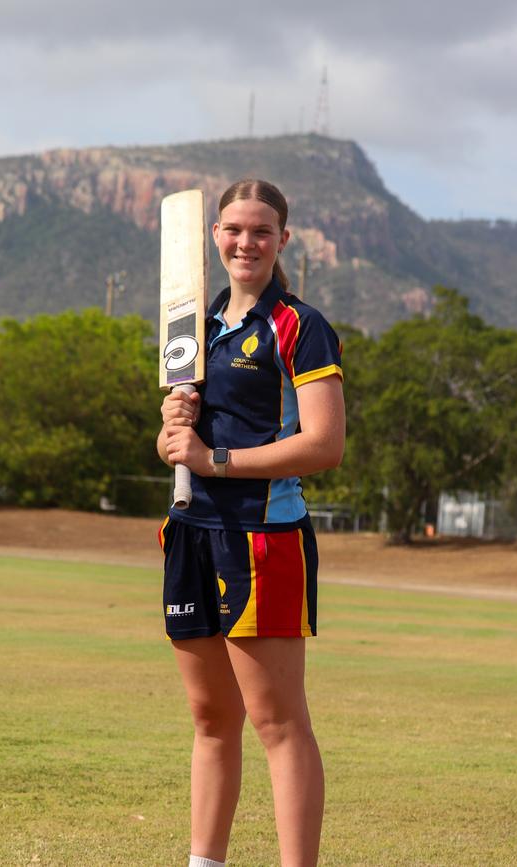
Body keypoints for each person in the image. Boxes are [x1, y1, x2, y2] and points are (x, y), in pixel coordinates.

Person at [156, 178, 345, 867]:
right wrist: (174, 434)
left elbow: (325, 444)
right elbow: (179, 446)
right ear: (214, 236)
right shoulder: (195, 327)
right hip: (191, 534)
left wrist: (215, 457)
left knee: (277, 721)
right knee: (211, 721)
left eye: (261, 231)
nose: (246, 242)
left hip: (263, 539)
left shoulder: (298, 324)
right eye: (234, 229)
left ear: (282, 241)